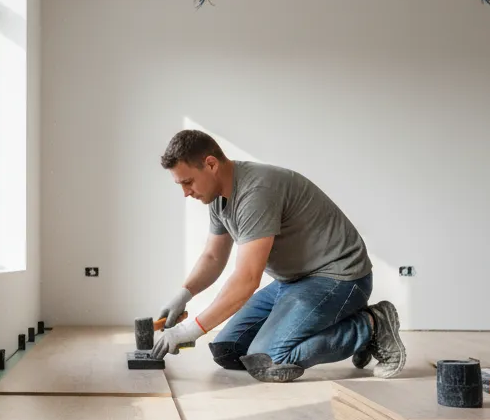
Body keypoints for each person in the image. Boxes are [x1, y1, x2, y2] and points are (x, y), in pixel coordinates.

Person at [151, 129, 405, 381]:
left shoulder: (256, 192)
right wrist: (184, 294)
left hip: (339, 278)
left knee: (268, 359)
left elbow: (246, 280)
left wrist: (190, 330)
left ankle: (371, 325)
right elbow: (213, 258)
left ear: (210, 164)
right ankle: (344, 327)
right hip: (294, 281)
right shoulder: (218, 197)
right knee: (227, 351)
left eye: (187, 182)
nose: (186, 192)